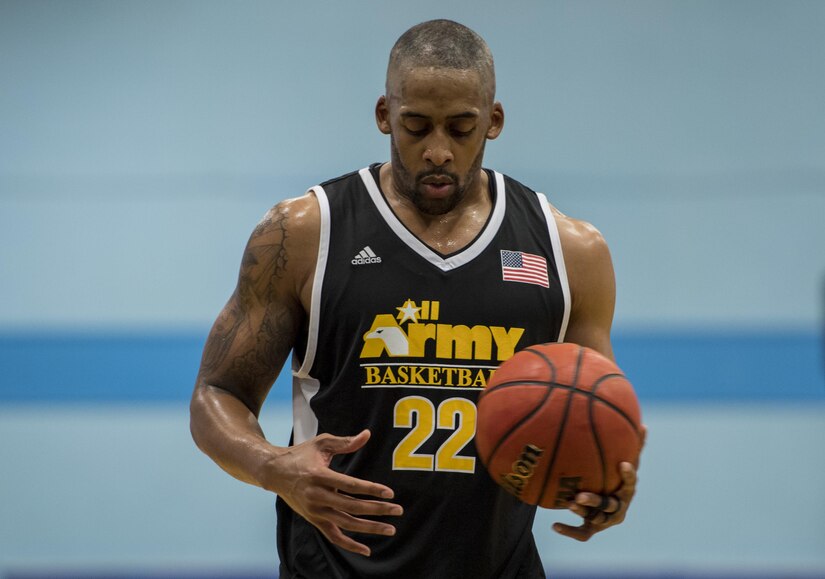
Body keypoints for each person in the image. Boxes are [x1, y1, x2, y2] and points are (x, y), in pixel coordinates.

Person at [190, 19, 645, 579]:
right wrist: (273, 466)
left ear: (493, 121)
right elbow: (217, 394)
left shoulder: (569, 250)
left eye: (460, 129)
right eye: (415, 126)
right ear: (384, 114)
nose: (437, 151)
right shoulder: (307, 233)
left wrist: (605, 484)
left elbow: (595, 414)